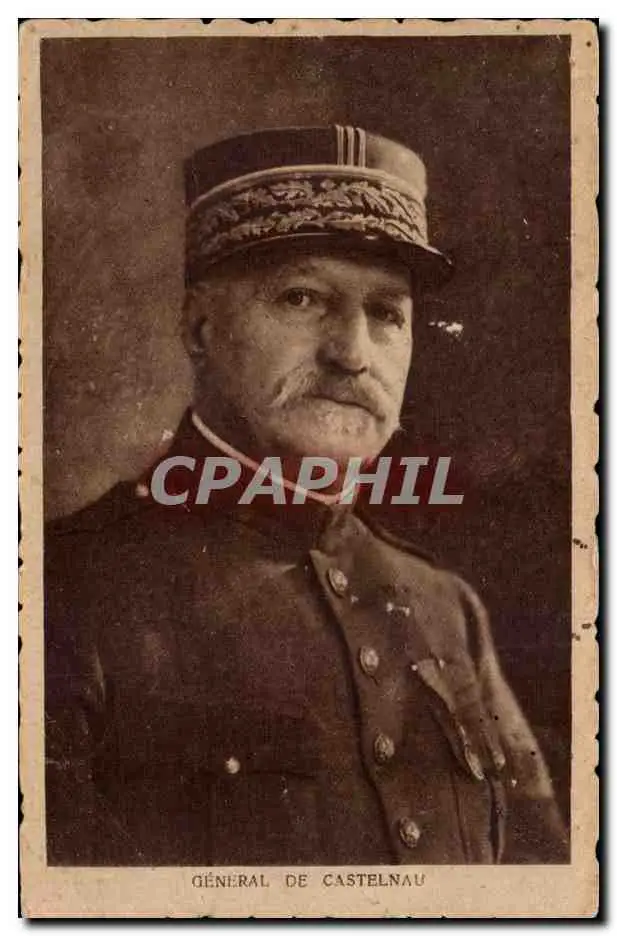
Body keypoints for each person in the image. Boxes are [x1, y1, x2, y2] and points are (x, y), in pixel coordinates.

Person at [45, 125, 568, 865]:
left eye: (386, 313)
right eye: (302, 298)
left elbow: (538, 892)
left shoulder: (447, 608)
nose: (352, 353)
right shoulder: (61, 588)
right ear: (199, 327)